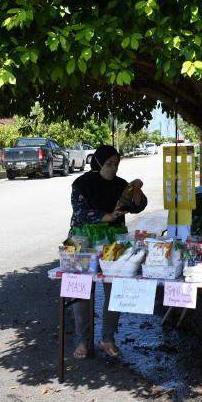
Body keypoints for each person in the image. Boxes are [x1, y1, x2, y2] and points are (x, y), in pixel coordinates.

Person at [69, 144, 147, 359]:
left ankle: (107, 338)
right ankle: (83, 342)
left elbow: (137, 206)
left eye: (116, 164)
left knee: (115, 288)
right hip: (81, 239)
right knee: (80, 289)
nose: (113, 168)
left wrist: (137, 192)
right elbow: (80, 211)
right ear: (98, 163)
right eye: (109, 164)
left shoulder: (121, 185)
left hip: (114, 241)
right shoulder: (82, 183)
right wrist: (107, 216)